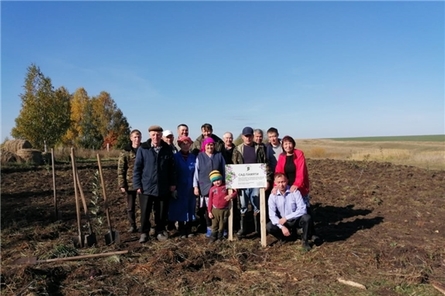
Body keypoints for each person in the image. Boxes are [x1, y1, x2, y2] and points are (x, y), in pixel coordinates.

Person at [133, 125, 176, 243]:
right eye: (153, 135)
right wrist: (137, 185)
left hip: (163, 186)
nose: (156, 137)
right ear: (150, 135)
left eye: (158, 134)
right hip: (146, 186)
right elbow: (137, 168)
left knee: (161, 211)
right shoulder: (144, 149)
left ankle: (160, 231)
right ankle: (144, 232)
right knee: (145, 211)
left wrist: (172, 183)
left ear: (161, 135)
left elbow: (172, 168)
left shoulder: (167, 149)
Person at [274, 135, 320, 241]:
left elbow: (301, 171)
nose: (288, 146)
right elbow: (278, 172)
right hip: (286, 186)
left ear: (293, 144)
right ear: (282, 146)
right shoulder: (282, 156)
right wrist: (276, 186)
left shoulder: (299, 154)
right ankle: (293, 232)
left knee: (305, 209)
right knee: (290, 208)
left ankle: (311, 233)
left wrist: (297, 184)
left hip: (299, 186)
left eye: (289, 143)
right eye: (285, 144)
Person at [232, 126, 272, 237]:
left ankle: (258, 229)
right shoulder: (237, 149)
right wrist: (234, 183)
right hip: (242, 183)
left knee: (257, 205)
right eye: (246, 136)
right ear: (242, 137)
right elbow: (234, 167)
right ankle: (243, 229)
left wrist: (268, 180)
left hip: (256, 183)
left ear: (252, 136)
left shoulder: (259, 149)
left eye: (250, 136)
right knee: (243, 206)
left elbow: (266, 165)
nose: (248, 138)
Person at [267, 173, 313, 251]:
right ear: (275, 183)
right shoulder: (272, 196)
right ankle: (284, 238)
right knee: (269, 226)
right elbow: (272, 215)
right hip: (283, 222)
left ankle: (305, 241)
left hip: (295, 220)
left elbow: (302, 209)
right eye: (279, 182)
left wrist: (286, 217)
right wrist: (282, 227)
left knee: (307, 218)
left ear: (287, 181)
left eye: (283, 182)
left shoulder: (295, 192)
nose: (281, 185)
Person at [193, 137, 226, 237]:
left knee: (219, 208)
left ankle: (221, 228)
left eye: (211, 145)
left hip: (218, 187)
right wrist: (195, 186)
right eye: (208, 145)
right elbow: (196, 173)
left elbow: (224, 170)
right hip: (205, 187)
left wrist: (226, 184)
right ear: (204, 146)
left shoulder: (219, 156)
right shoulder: (200, 156)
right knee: (208, 209)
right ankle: (209, 227)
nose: (210, 147)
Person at [169, 136, 197, 238]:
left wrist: (196, 186)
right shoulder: (175, 157)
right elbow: (172, 172)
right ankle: (181, 229)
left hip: (190, 186)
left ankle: (189, 228)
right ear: (180, 145)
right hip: (179, 186)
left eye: (187, 143)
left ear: (190, 144)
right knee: (179, 207)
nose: (186, 145)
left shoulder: (193, 157)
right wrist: (173, 187)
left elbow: (197, 172)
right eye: (183, 144)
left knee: (191, 206)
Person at [117, 129, 142, 233]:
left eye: (139, 137)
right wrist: (122, 184)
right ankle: (133, 225)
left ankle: (143, 225)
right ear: (131, 138)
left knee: (143, 206)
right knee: (130, 206)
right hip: (130, 183)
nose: (137, 139)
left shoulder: (144, 149)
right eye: (135, 137)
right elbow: (121, 168)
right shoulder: (125, 152)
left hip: (142, 183)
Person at [207, 170, 237, 242]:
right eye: (214, 181)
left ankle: (220, 238)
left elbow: (235, 193)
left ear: (221, 178)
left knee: (222, 225)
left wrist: (231, 196)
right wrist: (209, 211)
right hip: (215, 210)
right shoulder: (212, 189)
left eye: (218, 179)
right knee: (214, 224)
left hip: (224, 210)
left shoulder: (226, 186)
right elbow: (210, 201)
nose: (217, 182)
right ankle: (213, 237)